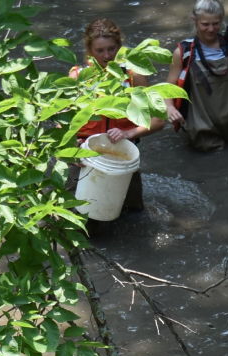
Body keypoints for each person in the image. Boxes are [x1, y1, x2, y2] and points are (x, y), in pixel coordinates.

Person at [70, 19, 162, 212]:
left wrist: (128, 133)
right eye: (100, 51)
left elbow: (158, 121)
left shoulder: (134, 76)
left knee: (132, 214)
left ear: (120, 47)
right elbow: (63, 123)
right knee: (84, 218)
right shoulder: (78, 78)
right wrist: (72, 149)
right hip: (86, 156)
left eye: (112, 49)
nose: (107, 56)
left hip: (124, 156)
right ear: (89, 51)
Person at [166, 0, 228, 152]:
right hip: (201, 126)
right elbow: (169, 86)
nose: (211, 29)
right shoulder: (183, 52)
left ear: (222, 21)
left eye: (216, 23)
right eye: (205, 24)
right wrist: (169, 107)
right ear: (194, 20)